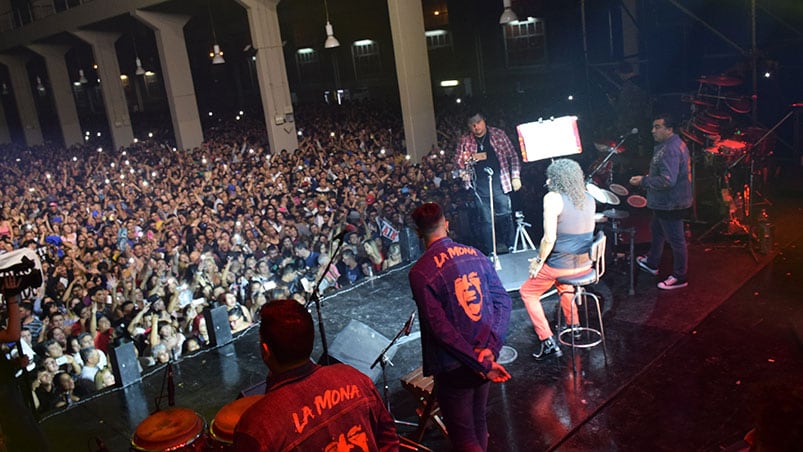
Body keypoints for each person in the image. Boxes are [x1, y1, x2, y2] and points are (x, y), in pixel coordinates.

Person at [408, 202, 512, 452]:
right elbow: (504, 301)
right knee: (479, 422)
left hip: (454, 367)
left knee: (463, 436)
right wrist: (490, 351)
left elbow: (440, 329)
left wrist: (480, 362)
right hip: (485, 357)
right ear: (446, 223)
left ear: (418, 233)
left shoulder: (420, 272)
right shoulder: (475, 254)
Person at [233, 299, 399, 451]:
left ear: (265, 350)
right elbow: (388, 438)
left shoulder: (256, 426)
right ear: (311, 339)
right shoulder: (353, 377)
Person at [518, 159, 596, 360]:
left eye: (550, 176)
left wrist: (538, 261)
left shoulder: (553, 198)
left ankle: (547, 341)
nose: (547, 180)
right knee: (564, 285)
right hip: (585, 265)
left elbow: (549, 238)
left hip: (561, 266)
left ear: (557, 178)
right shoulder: (588, 198)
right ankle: (574, 326)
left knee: (527, 292)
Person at [630, 113, 692, 290]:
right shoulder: (670, 144)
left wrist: (643, 180)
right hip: (665, 202)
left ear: (669, 129)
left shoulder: (670, 149)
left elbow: (667, 180)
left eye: (657, 127)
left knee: (676, 240)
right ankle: (652, 262)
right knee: (656, 231)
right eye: (653, 127)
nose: (653, 131)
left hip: (671, 203)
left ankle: (680, 276)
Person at [455, 111, 522, 255]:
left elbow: (513, 156)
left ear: (484, 121)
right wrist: (464, 175)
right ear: (469, 126)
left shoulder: (498, 135)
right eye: (472, 125)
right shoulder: (465, 141)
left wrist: (515, 176)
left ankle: (511, 245)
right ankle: (491, 250)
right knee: (486, 220)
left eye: (478, 123)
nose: (476, 127)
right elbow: (459, 163)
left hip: (500, 183)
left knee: (505, 214)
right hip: (479, 187)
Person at [0, 276, 50, 451]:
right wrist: (12, 298)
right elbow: (13, 335)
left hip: (6, 384)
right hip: (3, 393)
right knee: (19, 431)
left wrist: (11, 364)